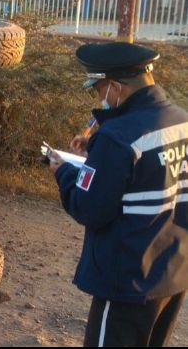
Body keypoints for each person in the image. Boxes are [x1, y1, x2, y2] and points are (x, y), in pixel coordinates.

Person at [48, 41, 188, 347]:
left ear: (115, 87)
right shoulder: (181, 120)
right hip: (172, 273)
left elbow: (90, 208)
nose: (99, 98)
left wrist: (64, 172)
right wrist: (97, 154)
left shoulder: (117, 137)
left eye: (98, 90)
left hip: (128, 280)